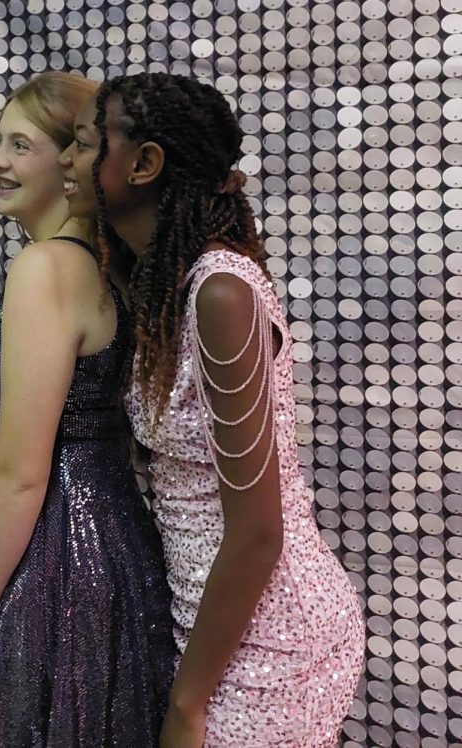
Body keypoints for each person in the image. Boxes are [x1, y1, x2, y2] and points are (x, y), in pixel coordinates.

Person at [61, 72, 364, 747]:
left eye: (84, 144)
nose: (66, 161)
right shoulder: (162, 283)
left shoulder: (220, 293)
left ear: (143, 164)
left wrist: (187, 706)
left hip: (276, 639)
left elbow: (259, 532)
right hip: (206, 626)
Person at [0, 71, 174, 747]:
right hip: (79, 547)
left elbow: (20, 471)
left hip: (56, 556)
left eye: (19, 145)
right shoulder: (84, 266)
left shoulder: (49, 271)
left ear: (72, 156)